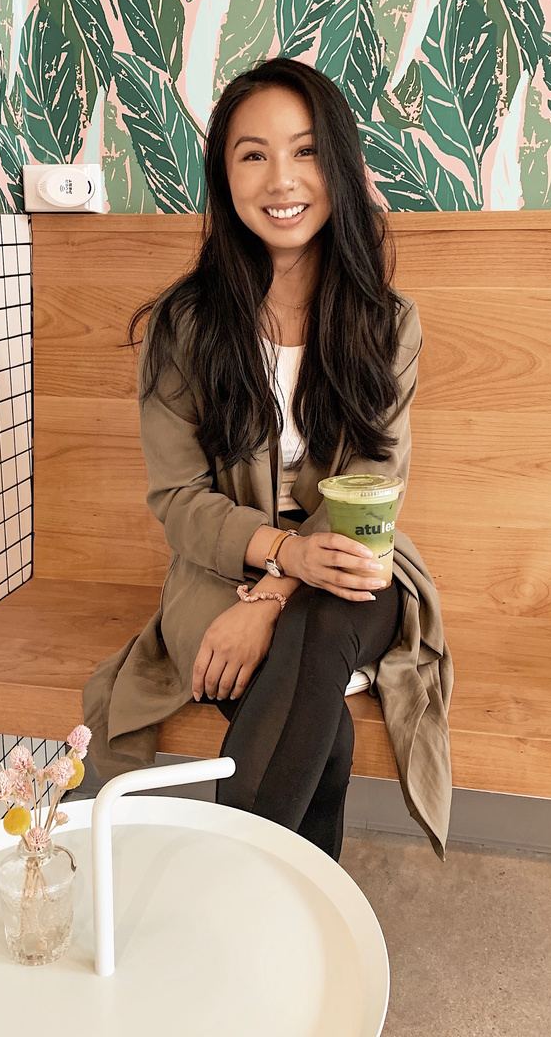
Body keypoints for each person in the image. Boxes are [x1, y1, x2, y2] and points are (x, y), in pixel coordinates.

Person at [83, 58, 453, 860]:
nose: (282, 179)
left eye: (307, 150)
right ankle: (283, 924)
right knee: (319, 721)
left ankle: (229, 892)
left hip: (355, 562)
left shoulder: (387, 323)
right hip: (219, 567)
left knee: (316, 633)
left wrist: (273, 596)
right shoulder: (185, 324)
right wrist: (277, 558)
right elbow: (178, 495)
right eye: (254, 154)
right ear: (225, 173)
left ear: (341, 166)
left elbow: (373, 486)